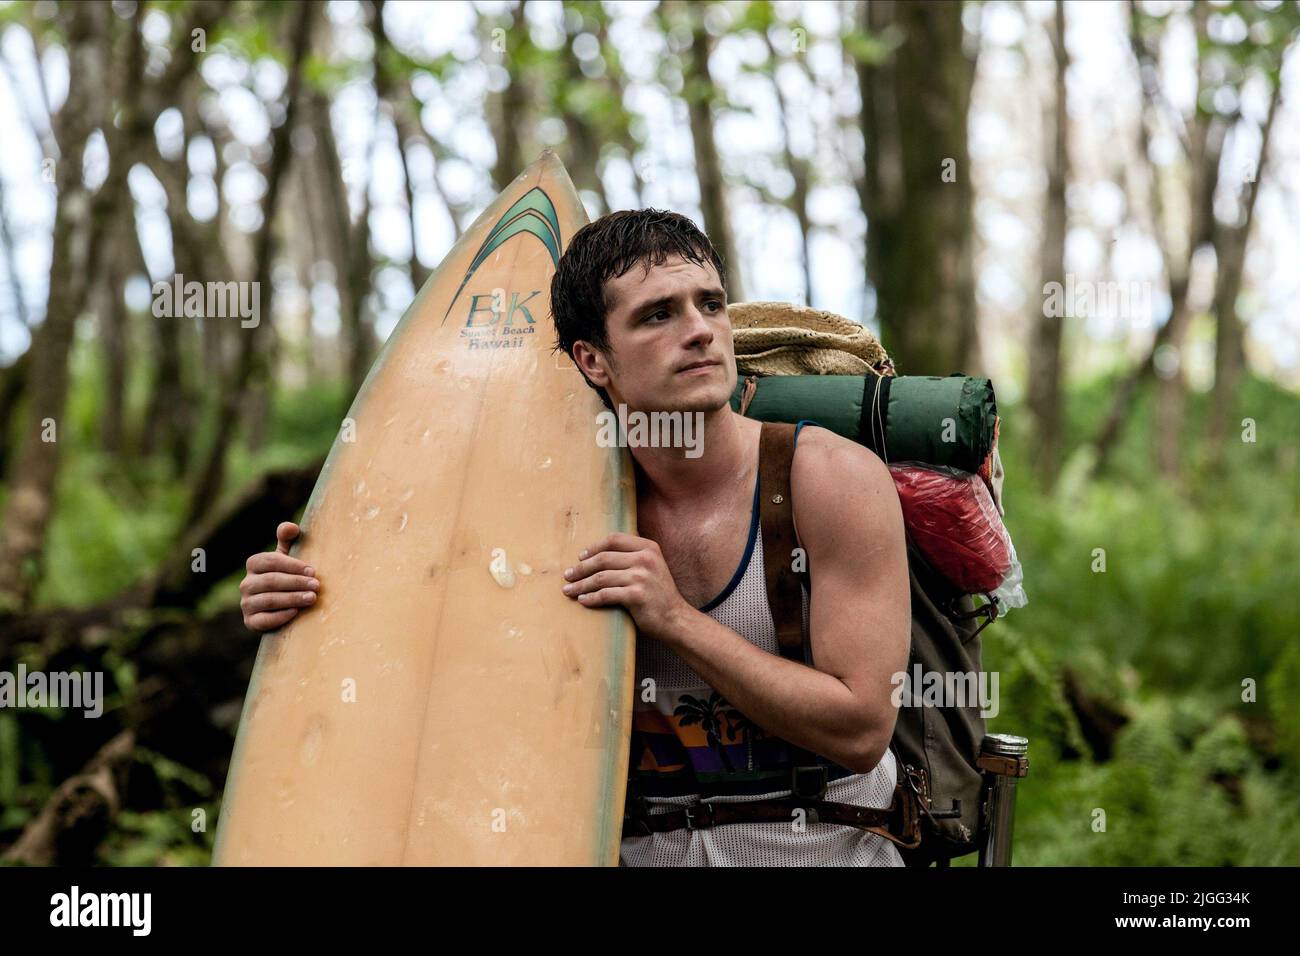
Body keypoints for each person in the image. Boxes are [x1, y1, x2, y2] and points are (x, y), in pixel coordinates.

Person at [239, 208, 911, 866]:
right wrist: (309, 607)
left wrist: (673, 618)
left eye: (710, 304)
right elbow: (433, 652)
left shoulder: (827, 479)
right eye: (658, 314)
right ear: (594, 360)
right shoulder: (545, 507)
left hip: (824, 849)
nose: (701, 331)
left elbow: (860, 728)